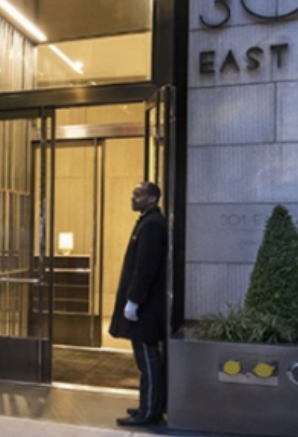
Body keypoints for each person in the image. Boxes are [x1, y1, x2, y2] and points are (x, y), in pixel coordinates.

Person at [110, 181, 168, 427]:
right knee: (144, 360)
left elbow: (145, 268)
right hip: (144, 306)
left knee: (148, 360)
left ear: (153, 198)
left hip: (146, 308)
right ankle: (147, 405)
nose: (133, 197)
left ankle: (151, 412)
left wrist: (133, 301)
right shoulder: (147, 221)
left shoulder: (153, 225)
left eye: (139, 194)